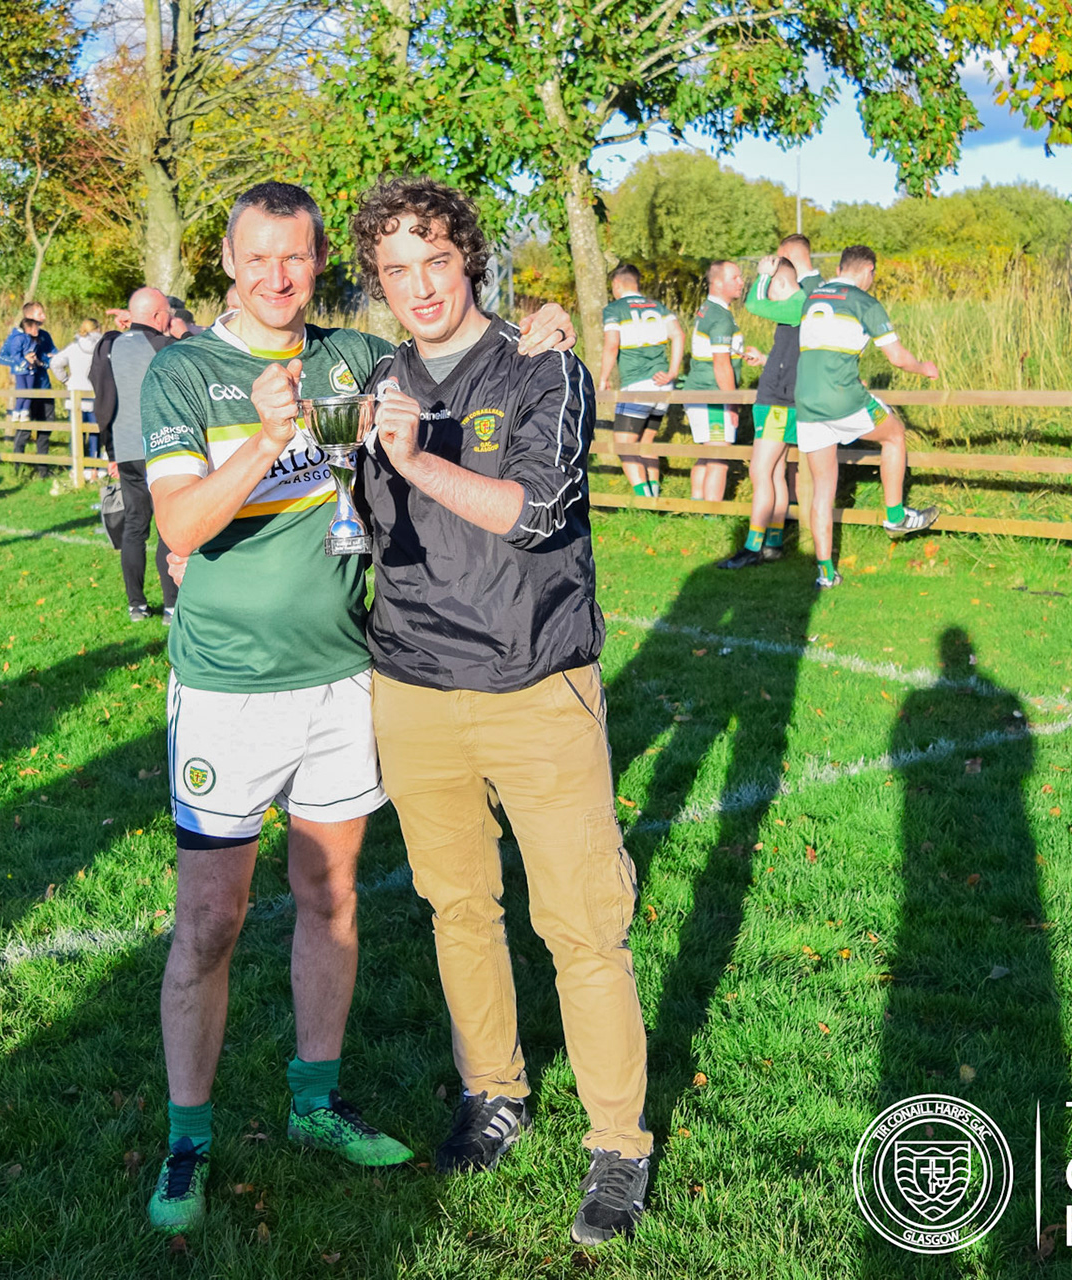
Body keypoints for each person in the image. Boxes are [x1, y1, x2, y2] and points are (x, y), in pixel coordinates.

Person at [138, 179, 577, 1234]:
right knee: (210, 921)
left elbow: (455, 343)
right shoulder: (182, 371)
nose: (276, 276)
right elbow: (180, 529)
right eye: (256, 257)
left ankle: (316, 1100)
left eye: (295, 256)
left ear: (320, 260)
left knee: (330, 898)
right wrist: (261, 441)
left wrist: (543, 329)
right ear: (227, 261)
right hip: (228, 687)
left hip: (344, 676)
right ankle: (187, 1138)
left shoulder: (353, 360)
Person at [350, 175, 650, 1248]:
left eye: (436, 259)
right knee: (458, 909)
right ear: (378, 283)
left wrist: (415, 458)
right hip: (412, 687)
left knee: (583, 925)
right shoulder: (371, 380)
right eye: (396, 269)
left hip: (534, 686)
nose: (421, 286)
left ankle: (617, 1143)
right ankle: (495, 1091)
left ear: (469, 258)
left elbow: (537, 513)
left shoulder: (542, 364)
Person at [795, 245, 940, 590]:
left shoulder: (814, 297)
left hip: (806, 400)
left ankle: (826, 574)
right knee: (894, 435)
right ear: (868, 270)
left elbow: (826, 350)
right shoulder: (864, 302)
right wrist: (924, 368)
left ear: (840, 268)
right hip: (841, 397)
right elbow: (897, 357)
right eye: (873, 275)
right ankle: (895, 516)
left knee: (823, 489)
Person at [721, 236, 823, 569]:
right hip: (784, 401)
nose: (770, 297)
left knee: (759, 471)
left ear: (780, 284)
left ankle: (752, 546)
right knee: (776, 473)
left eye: (771, 287)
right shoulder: (802, 307)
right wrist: (767, 359)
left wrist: (763, 276)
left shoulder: (797, 303)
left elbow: (753, 304)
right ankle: (774, 543)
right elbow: (794, 356)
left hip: (778, 404)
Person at [91, 287, 177, 621]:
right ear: (157, 316)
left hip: (125, 449)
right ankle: (171, 605)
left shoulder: (109, 345)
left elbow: (103, 398)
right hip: (161, 447)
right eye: (168, 313)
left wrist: (110, 449)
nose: (170, 318)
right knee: (168, 526)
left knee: (135, 526)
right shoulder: (165, 346)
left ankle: (136, 604)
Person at [680, 263, 762, 504]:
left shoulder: (708, 309)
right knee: (719, 457)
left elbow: (714, 352)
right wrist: (733, 403)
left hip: (699, 391)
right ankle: (712, 514)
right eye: (735, 278)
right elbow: (721, 365)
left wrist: (739, 353)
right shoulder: (720, 317)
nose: (741, 282)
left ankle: (697, 507)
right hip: (712, 395)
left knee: (707, 454)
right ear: (717, 283)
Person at [599, 263, 682, 499]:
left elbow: (612, 344)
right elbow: (678, 334)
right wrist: (672, 372)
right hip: (663, 385)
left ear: (617, 284)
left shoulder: (615, 309)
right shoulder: (658, 306)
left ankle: (645, 500)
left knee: (623, 445)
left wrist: (604, 378)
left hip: (636, 384)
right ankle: (654, 496)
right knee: (646, 442)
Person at [0, 303, 57, 476]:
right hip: (26, 390)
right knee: (24, 430)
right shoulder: (16, 337)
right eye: (40, 313)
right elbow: (2, 357)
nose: (44, 316)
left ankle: (43, 470)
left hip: (44, 388)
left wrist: (42, 361)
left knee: (45, 429)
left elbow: (55, 355)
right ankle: (17, 470)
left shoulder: (44, 336)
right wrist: (23, 361)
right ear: (29, 317)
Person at [50, 317, 104, 474]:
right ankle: (94, 468)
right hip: (95, 393)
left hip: (75, 394)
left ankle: (76, 469)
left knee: (76, 433)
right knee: (95, 432)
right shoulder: (102, 347)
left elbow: (55, 363)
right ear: (97, 329)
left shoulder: (73, 347)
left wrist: (65, 379)